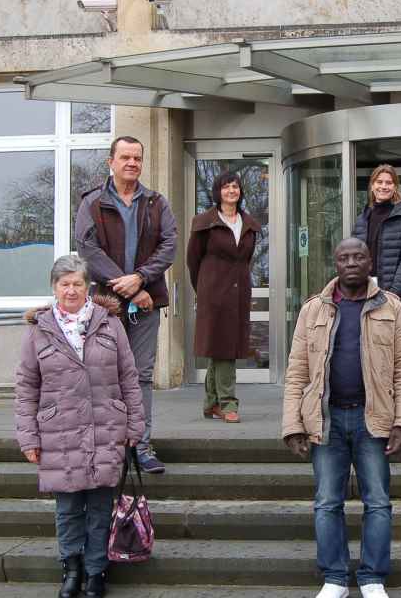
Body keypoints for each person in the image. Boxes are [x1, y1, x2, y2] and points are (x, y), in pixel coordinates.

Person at [281, 237, 401, 598]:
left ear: (370, 261)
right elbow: (296, 371)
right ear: (336, 264)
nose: (352, 263)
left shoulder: (391, 307)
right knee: (327, 501)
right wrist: (293, 424)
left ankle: (373, 577)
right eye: (344, 258)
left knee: (378, 501)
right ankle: (335, 578)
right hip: (326, 421)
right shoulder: (314, 309)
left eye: (358, 256)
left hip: (373, 419)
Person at [15, 254, 145, 598]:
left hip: (106, 428)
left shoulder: (109, 323)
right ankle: (71, 569)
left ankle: (96, 571)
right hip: (59, 432)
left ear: (87, 287)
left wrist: (135, 427)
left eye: (77, 283)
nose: (71, 290)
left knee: (101, 506)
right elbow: (26, 386)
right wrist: (28, 436)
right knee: (68, 508)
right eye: (64, 284)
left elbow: (129, 378)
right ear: (54, 288)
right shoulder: (39, 330)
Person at [75, 135, 179, 474]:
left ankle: (142, 446)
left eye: (137, 157)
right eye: (125, 157)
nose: (132, 163)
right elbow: (87, 250)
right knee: (105, 374)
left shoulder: (156, 202)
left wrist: (142, 277)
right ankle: (110, 446)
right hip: (107, 304)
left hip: (147, 305)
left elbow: (169, 245)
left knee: (142, 375)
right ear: (111, 161)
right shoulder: (91, 203)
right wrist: (132, 287)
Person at [187, 170, 262, 424]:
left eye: (236, 187)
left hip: (239, 292)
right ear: (218, 192)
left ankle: (211, 403)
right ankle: (228, 403)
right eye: (226, 187)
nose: (232, 191)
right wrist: (205, 288)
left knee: (220, 348)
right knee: (224, 349)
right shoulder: (203, 222)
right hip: (213, 292)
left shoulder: (249, 224)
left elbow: (247, 259)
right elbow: (192, 260)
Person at [352, 164, 401, 316]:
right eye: (379, 182)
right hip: (366, 293)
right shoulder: (361, 219)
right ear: (372, 186)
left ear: (395, 187)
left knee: (395, 340)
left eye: (389, 183)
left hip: (398, 296)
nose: (383, 186)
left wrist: (394, 293)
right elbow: (354, 258)